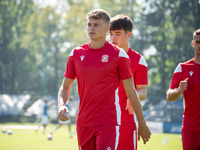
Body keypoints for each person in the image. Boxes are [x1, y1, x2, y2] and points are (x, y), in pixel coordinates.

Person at [58, 9, 151, 150]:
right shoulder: (76, 54)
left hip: (109, 122)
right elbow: (65, 87)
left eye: (96, 25)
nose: (91, 28)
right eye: (89, 24)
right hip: (83, 122)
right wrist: (61, 105)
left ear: (106, 28)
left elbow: (132, 91)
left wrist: (142, 123)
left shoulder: (119, 55)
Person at [109, 15, 148, 150]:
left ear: (129, 34)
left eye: (117, 34)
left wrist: (134, 96)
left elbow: (143, 90)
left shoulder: (138, 59)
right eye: (111, 34)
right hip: (104, 121)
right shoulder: (104, 57)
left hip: (126, 121)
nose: (113, 38)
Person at [166, 28, 200, 150]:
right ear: (193, 43)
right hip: (190, 128)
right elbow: (169, 96)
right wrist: (179, 90)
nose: (199, 45)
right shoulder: (182, 68)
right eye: (197, 42)